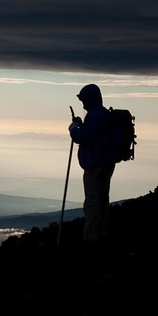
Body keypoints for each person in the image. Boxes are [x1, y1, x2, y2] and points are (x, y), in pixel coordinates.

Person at [68, 84, 115, 243]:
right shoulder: (103, 114)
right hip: (107, 163)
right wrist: (82, 125)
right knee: (102, 198)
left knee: (92, 200)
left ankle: (91, 236)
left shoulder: (94, 116)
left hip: (95, 164)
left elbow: (83, 138)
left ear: (90, 99)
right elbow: (95, 134)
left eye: (84, 100)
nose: (83, 104)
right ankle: (103, 231)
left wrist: (74, 129)